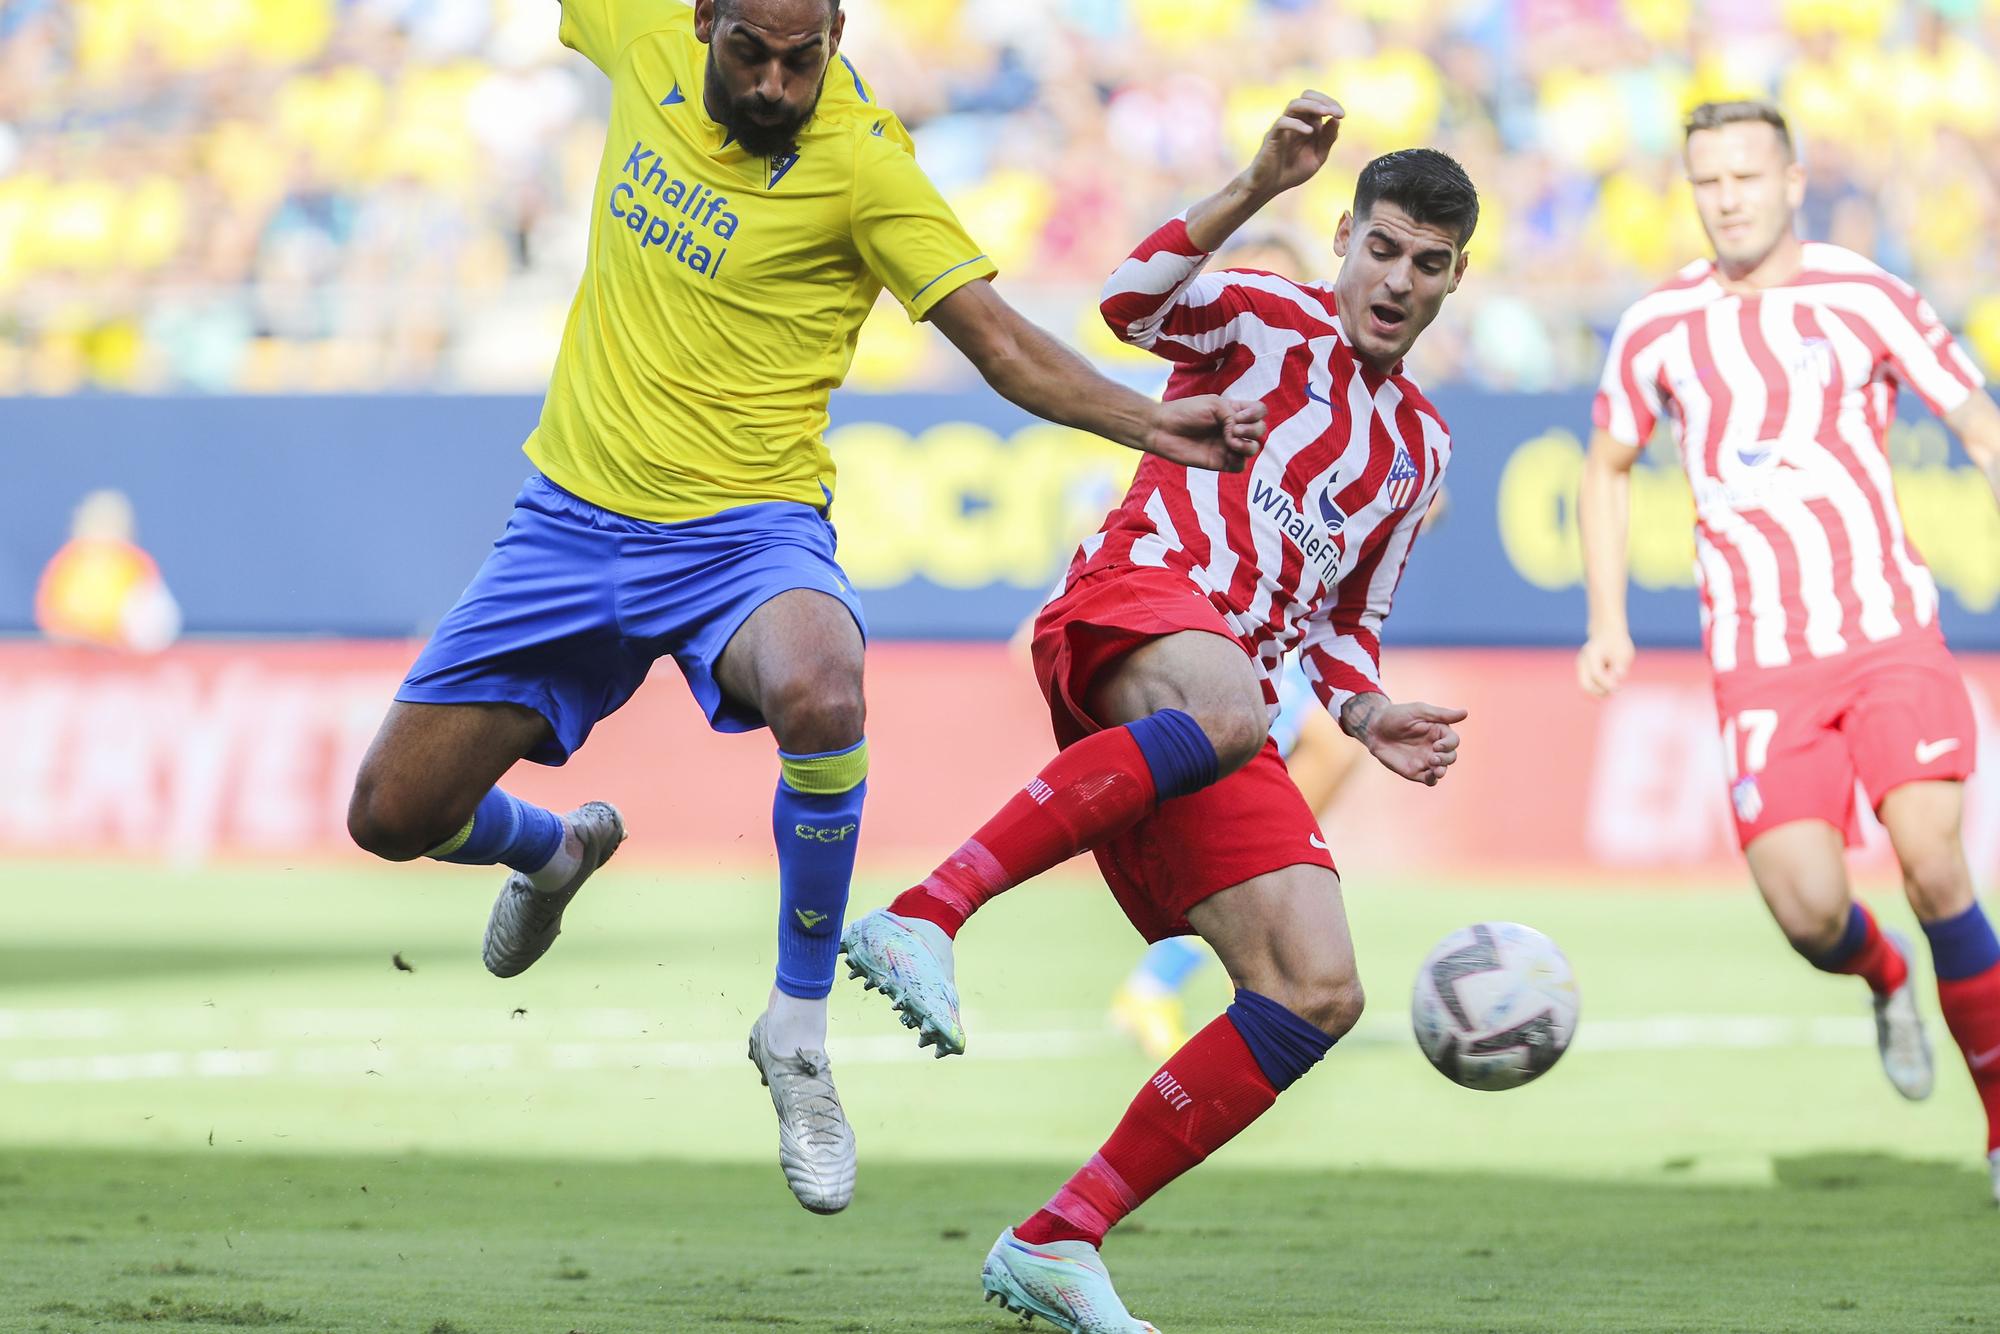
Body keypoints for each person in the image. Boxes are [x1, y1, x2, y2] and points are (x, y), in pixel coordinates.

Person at [342, 0, 1264, 1219]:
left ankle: (796, 1024)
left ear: (835, 31)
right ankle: (551, 849)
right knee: (393, 815)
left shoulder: (865, 164)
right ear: (701, 18)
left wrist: (1150, 420)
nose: (778, 83)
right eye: (750, 54)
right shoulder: (633, 33)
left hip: (745, 531)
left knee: (823, 684)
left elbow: (992, 338)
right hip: (569, 518)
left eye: (805, 56)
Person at [844, 93, 1478, 1329]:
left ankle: (1057, 1234)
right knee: (1234, 704)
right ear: (1343, 235)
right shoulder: (1263, 310)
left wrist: (1364, 714)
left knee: (1315, 989)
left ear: (1457, 277)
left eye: (1428, 263)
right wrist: (1255, 182)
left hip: (1224, 698)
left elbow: (1345, 621)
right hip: (1139, 597)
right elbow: (1125, 305)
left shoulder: (1419, 451)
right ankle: (925, 913)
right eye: (1382, 247)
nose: (1396, 280)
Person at [1577, 100, 2000, 1200]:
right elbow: (1605, 463)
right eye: (1705, 181)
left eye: (1744, 178)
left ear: (1792, 180)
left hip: (1884, 631)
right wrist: (1607, 616)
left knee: (1933, 858)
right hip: (1759, 660)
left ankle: (1999, 1126)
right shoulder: (1655, 324)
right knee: (1809, 910)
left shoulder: (1862, 295)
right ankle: (1882, 971)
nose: (1725, 199)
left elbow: (1976, 420)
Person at [35, 489, 182, 654]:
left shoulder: (135, 564)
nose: (103, 532)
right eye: (97, 522)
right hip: (72, 662)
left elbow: (156, 622)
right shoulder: (67, 564)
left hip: (124, 663)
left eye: (110, 523)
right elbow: (50, 614)